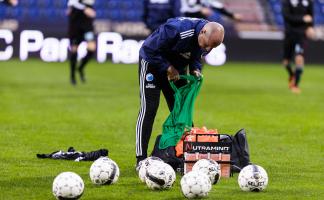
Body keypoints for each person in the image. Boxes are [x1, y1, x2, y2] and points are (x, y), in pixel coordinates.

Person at [135, 17, 224, 169]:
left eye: (211, 48)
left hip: (176, 70)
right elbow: (148, 50)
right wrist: (168, 68)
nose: (207, 50)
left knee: (182, 112)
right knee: (149, 109)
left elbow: (195, 55)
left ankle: (188, 156)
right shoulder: (176, 29)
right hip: (152, 65)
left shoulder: (206, 38)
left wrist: (196, 69)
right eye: (207, 45)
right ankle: (141, 160)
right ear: (202, 32)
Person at [282, 0, 314, 94]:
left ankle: (295, 85)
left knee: (299, 58)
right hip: (289, 34)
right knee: (286, 63)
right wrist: (302, 19)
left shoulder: (308, 2)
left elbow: (311, 16)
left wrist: (310, 27)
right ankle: (292, 75)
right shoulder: (287, 2)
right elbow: (287, 17)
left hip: (302, 35)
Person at [67, 0, 96, 85]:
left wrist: (87, 8)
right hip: (75, 25)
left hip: (87, 26)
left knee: (92, 48)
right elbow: (70, 6)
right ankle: (72, 76)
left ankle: (80, 67)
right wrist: (83, 8)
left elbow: (91, 11)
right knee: (74, 50)